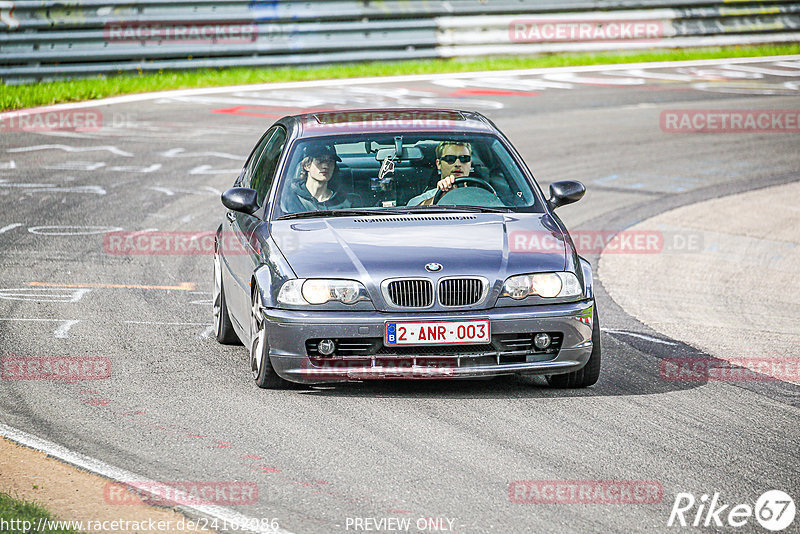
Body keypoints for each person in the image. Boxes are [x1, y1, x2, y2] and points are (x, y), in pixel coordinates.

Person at [281, 143, 361, 213]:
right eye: (320, 160)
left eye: (330, 161)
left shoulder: (346, 203)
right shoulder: (289, 198)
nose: (326, 166)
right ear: (307, 166)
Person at [407, 141, 473, 206]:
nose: (458, 164)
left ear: (470, 164)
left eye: (464, 159)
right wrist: (438, 197)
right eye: (450, 159)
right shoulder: (424, 198)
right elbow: (411, 213)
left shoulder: (480, 195)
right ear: (438, 164)